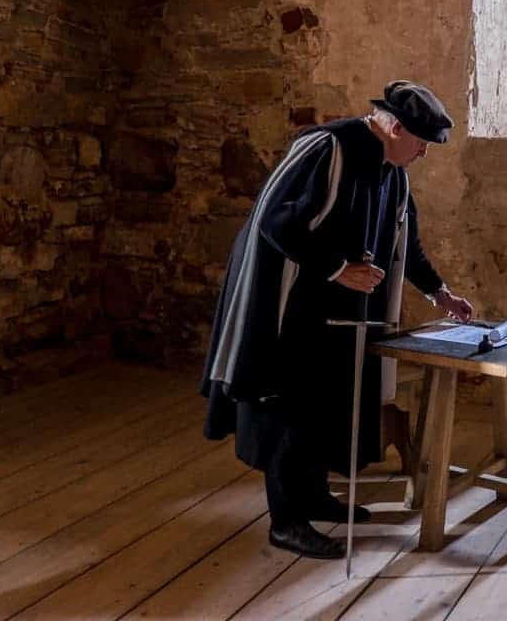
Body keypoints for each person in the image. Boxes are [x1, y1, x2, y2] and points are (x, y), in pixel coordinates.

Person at [200, 80, 473, 560]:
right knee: (290, 408)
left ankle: (312, 496)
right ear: (392, 126)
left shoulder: (394, 172)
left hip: (340, 311)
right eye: (421, 143)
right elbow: (274, 219)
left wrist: (439, 292)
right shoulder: (327, 147)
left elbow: (404, 243)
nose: (424, 154)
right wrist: (338, 269)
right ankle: (286, 521)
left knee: (326, 404)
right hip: (289, 304)